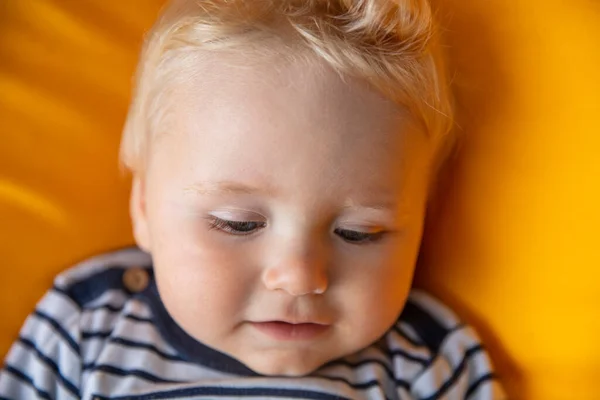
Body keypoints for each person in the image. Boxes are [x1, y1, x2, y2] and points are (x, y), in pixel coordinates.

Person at [0, 0, 506, 398]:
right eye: (237, 223)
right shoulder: (84, 326)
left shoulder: (427, 361)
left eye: (360, 232)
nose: (300, 275)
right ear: (144, 208)